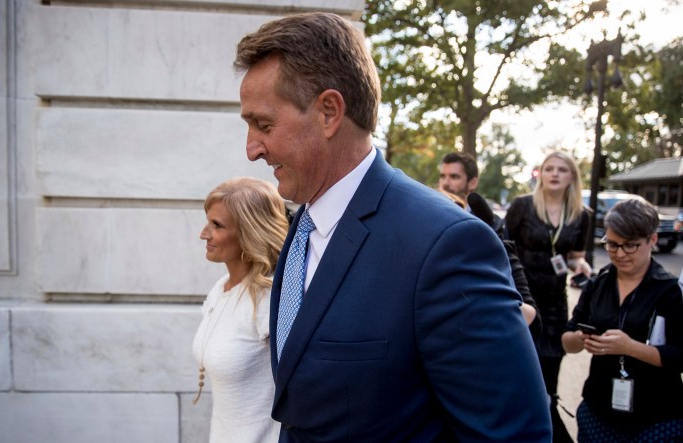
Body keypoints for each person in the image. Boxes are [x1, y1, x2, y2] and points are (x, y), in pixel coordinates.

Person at [234, 12, 551, 442]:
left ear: (329, 112)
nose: (252, 149)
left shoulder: (446, 245)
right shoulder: (303, 226)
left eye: (264, 124)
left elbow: (514, 435)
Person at [562, 198, 683, 441]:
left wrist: (631, 348)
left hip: (656, 418)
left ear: (652, 240)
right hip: (599, 410)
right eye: (612, 245)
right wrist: (581, 338)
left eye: (630, 246)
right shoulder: (596, 285)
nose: (619, 254)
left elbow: (679, 356)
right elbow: (566, 341)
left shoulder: (669, 290)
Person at [191, 177, 289, 443]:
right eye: (207, 221)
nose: (203, 234)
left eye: (217, 225)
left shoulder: (270, 299)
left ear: (249, 233)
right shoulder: (220, 289)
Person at [504, 150, 592, 442]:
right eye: (549, 168)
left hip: (555, 302)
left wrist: (581, 265)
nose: (554, 174)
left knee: (549, 374)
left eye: (562, 169)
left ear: (572, 177)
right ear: (540, 174)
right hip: (521, 297)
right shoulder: (522, 206)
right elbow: (502, 249)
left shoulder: (581, 215)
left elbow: (574, 257)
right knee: (517, 371)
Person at [439, 151, 539, 331]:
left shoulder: (492, 225)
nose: (446, 183)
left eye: (454, 176)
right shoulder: (427, 220)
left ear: (473, 182)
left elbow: (530, 315)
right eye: (443, 176)